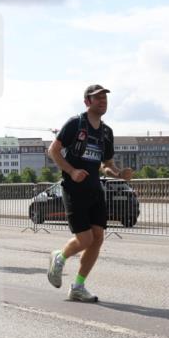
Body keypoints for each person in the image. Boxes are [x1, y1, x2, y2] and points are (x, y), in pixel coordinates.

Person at [45, 84, 133, 302]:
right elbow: (53, 151)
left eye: (105, 98)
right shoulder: (76, 124)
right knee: (84, 239)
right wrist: (72, 171)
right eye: (97, 98)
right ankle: (60, 255)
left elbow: (107, 164)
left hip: (95, 190)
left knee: (98, 239)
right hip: (74, 189)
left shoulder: (106, 132)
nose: (103, 101)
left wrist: (118, 173)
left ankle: (78, 286)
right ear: (87, 102)